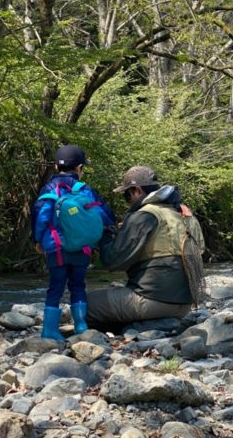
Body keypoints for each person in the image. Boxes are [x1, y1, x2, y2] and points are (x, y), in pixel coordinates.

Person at [86, 165, 205, 331]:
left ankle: (132, 328)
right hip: (185, 305)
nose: (128, 200)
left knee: (85, 303)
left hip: (153, 302)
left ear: (137, 190)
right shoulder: (181, 213)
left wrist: (104, 236)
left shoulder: (145, 215)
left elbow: (113, 261)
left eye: (127, 195)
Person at [32, 144, 115, 340]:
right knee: (78, 285)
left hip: (56, 248)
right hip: (81, 248)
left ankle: (50, 330)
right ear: (79, 168)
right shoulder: (84, 190)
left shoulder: (48, 190)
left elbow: (40, 217)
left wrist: (37, 240)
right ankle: (81, 326)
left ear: (56, 166)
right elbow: (104, 216)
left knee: (55, 287)